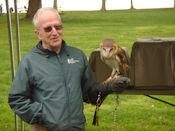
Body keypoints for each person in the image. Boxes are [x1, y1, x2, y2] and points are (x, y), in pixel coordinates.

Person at [8, 7, 130, 131]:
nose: (55, 32)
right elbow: (17, 99)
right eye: (48, 28)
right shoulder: (30, 61)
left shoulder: (77, 55)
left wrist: (107, 87)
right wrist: (42, 115)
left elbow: (89, 93)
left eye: (58, 27)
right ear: (38, 33)